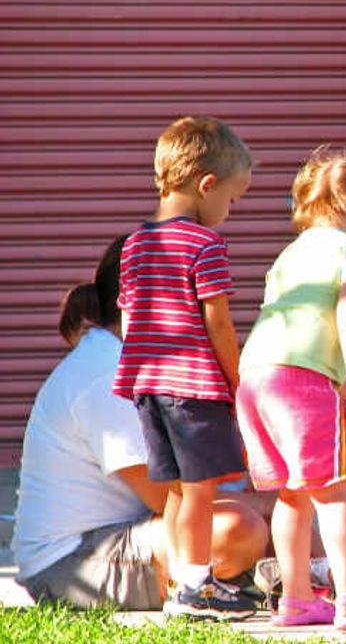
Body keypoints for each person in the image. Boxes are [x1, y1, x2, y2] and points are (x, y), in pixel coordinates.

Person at [13, 236, 270, 611]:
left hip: (132, 532)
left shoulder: (143, 365)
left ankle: (282, 577)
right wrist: (264, 506)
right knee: (238, 529)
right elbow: (167, 499)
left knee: (267, 519)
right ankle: (238, 579)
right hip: (70, 563)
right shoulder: (105, 373)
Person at [235, 147, 346, 631]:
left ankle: (298, 599)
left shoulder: (291, 253)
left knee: (293, 494)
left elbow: (298, 324)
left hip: (256, 378)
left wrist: (340, 384)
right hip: (300, 383)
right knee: (336, 493)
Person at [112, 115, 258, 620]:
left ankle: (181, 581)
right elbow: (217, 319)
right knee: (200, 491)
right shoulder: (204, 245)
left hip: (147, 386)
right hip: (193, 387)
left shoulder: (134, 244)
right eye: (233, 200)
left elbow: (130, 319)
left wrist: (136, 379)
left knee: (175, 491)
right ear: (207, 184)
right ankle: (198, 584)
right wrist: (237, 377)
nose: (230, 212)